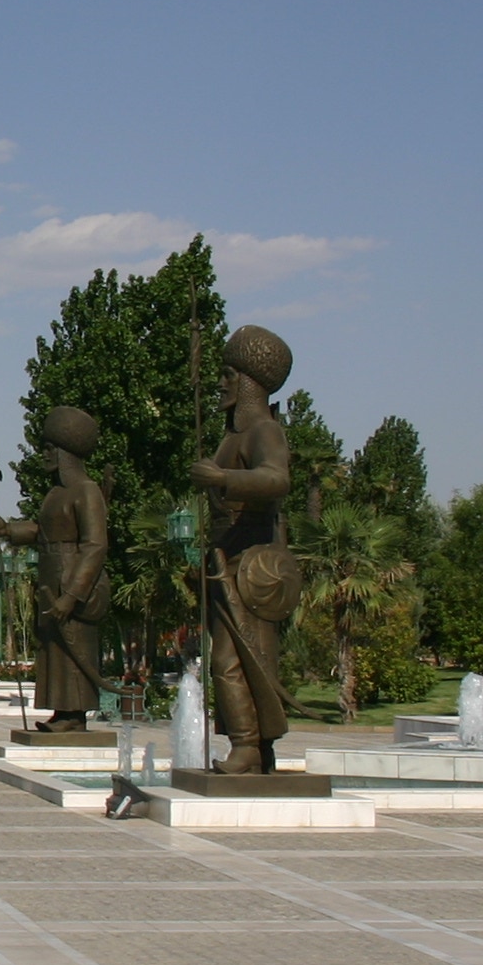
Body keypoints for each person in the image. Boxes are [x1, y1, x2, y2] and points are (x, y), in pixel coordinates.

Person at [188, 325, 301, 774]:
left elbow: (277, 478)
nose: (220, 383)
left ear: (247, 381)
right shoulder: (231, 435)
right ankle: (257, 747)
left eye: (228, 375)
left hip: (252, 561)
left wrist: (223, 478)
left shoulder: (264, 430)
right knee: (241, 656)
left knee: (237, 658)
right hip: (226, 556)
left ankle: (249, 746)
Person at [0, 406, 109, 731]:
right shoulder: (56, 493)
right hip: (51, 577)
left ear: (65, 453)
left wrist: (72, 595)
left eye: (49, 449)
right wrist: (9, 529)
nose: (44, 455)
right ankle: (62, 711)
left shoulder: (87, 490)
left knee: (74, 645)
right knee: (55, 649)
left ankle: (75, 716)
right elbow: (44, 532)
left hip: (72, 579)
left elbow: (95, 545)